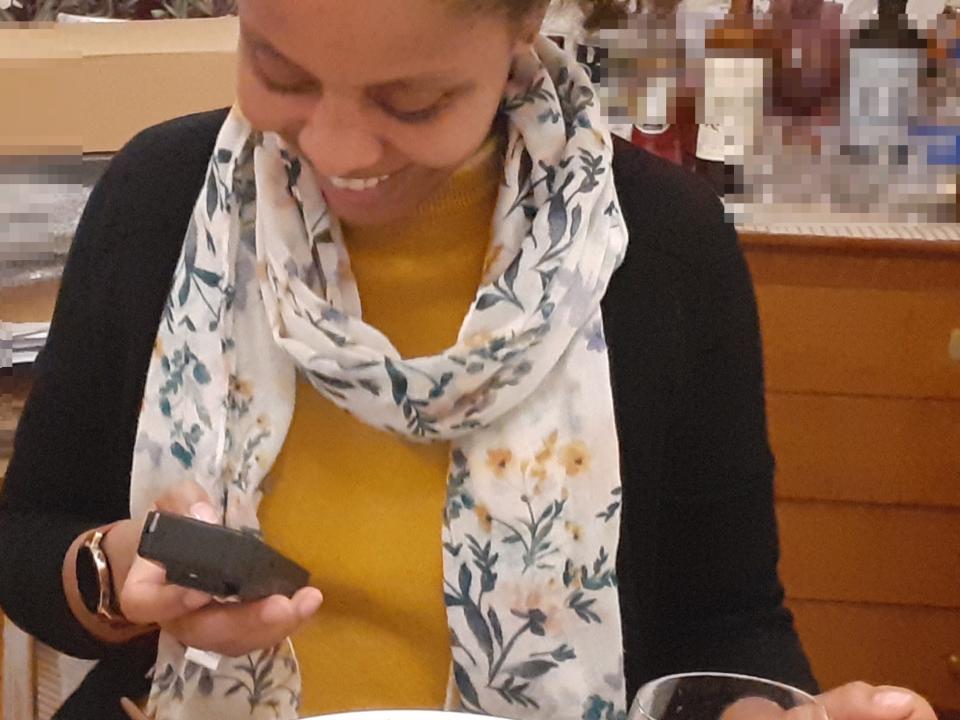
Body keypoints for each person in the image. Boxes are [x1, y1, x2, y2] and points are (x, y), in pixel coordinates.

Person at [0, 1, 940, 719]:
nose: (333, 145)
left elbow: (729, 620)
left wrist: (765, 708)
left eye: (411, 101)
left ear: (522, 28)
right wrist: (111, 574)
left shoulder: (658, 251)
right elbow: (30, 535)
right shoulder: (162, 201)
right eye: (279, 73)